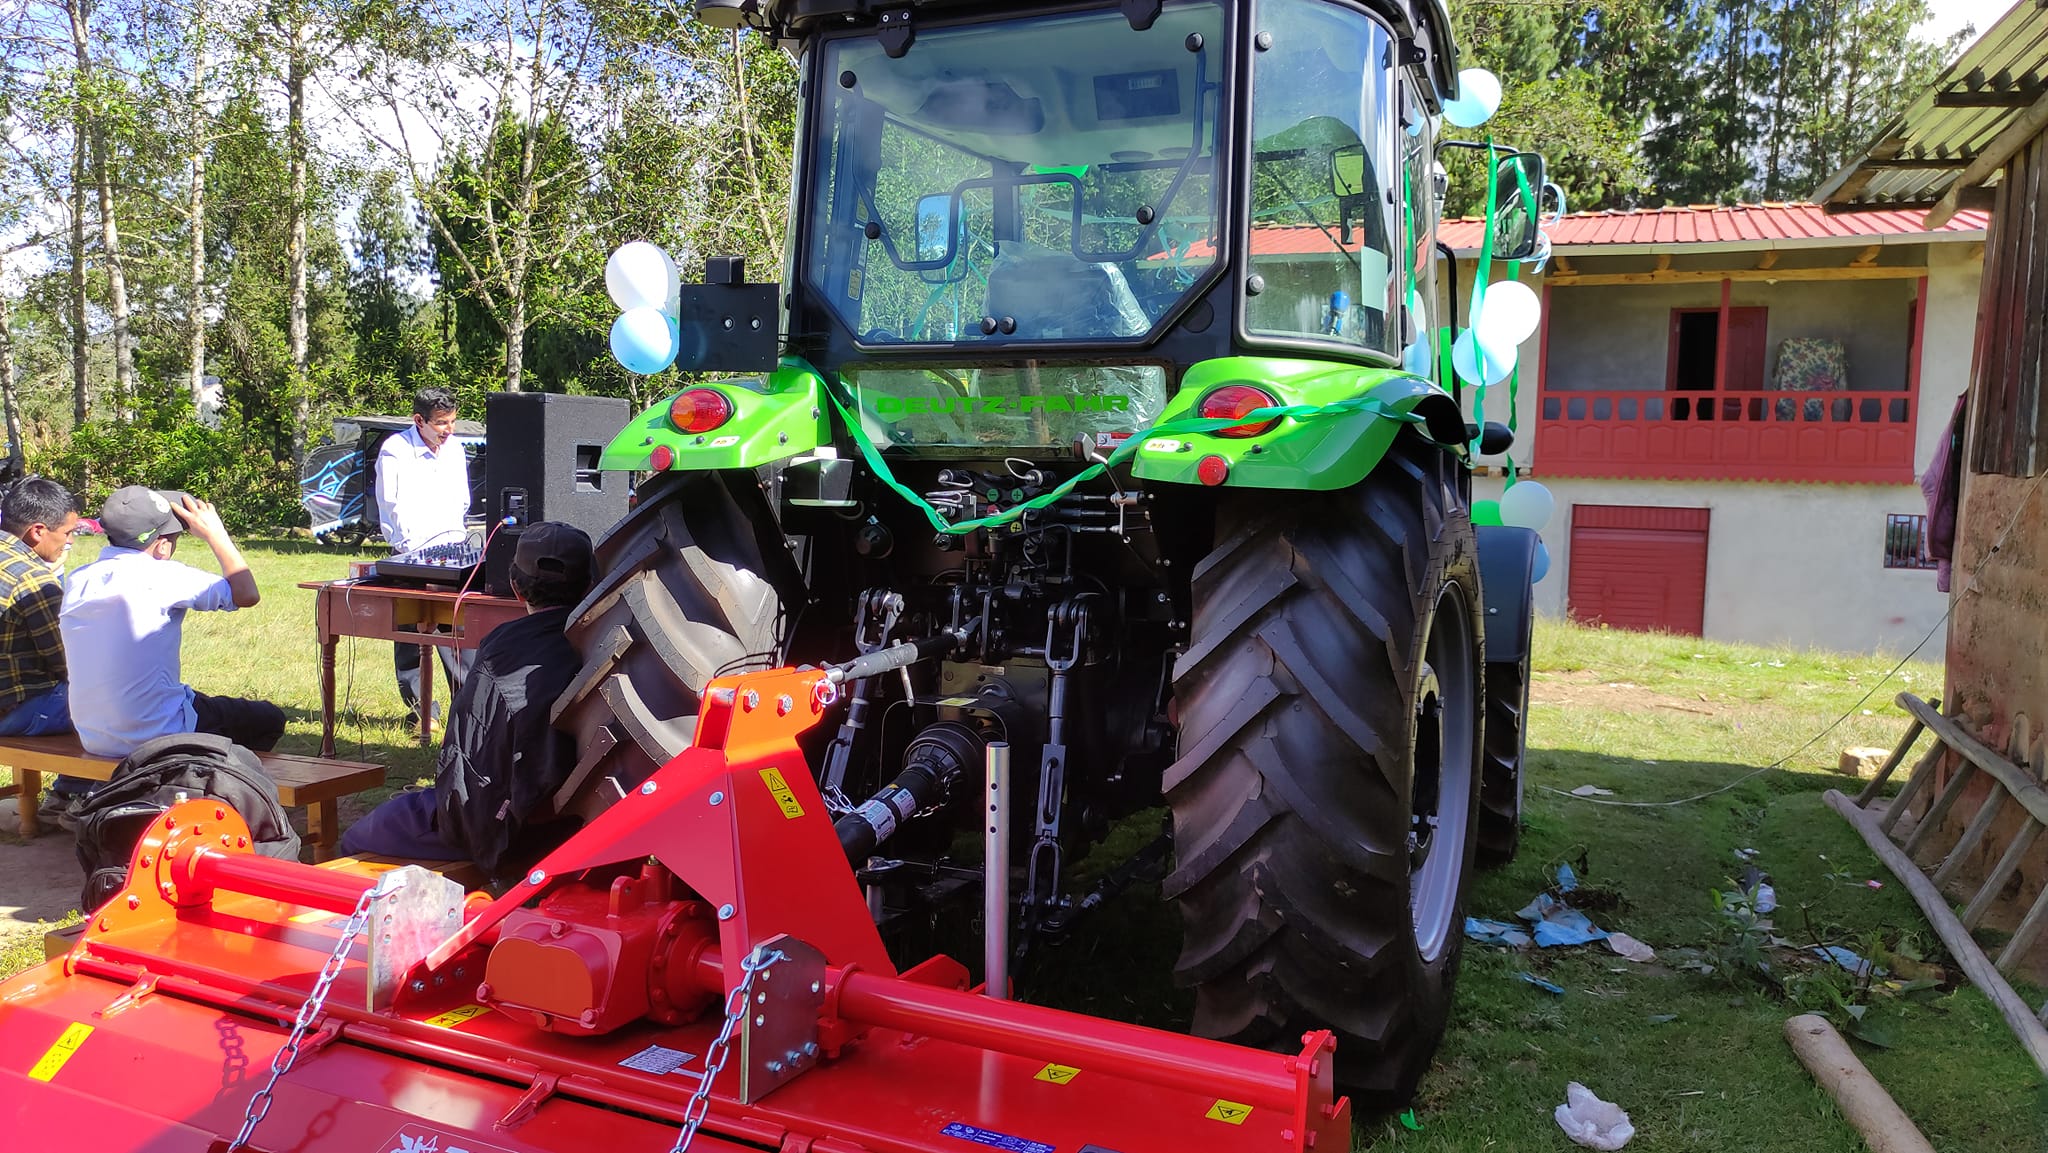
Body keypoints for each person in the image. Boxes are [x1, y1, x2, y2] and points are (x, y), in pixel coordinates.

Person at [339, 522, 593, 877]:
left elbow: (469, 768)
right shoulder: (608, 643)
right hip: (584, 829)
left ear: (516, 588)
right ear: (591, 583)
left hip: (512, 837)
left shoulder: (502, 651)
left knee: (356, 836)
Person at [60, 486, 286, 757]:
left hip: (94, 735)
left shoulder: (80, 578)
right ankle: (208, 782)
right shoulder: (163, 576)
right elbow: (247, 594)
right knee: (269, 719)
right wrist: (217, 535)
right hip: (158, 733)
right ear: (163, 546)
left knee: (192, 699)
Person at [376, 386, 475, 717]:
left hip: (452, 550)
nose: (449, 430)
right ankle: (422, 711)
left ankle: (467, 708)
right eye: (441, 423)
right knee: (408, 635)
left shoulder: (456, 449)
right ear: (419, 420)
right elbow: (392, 505)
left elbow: (462, 499)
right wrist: (413, 555)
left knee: (458, 633)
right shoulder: (395, 450)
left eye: (452, 421)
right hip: (412, 552)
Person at [0, 479, 87, 820]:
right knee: (120, 701)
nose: (70, 541)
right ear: (38, 531)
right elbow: (67, 662)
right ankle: (73, 793)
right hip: (12, 713)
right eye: (67, 533)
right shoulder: (33, 579)